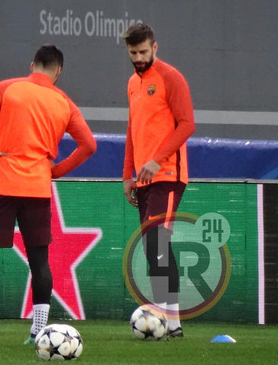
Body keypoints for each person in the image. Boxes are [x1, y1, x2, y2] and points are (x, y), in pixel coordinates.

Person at [0, 45, 96, 345]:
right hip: (37, 187)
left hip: (3, 183)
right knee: (39, 261)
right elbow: (89, 145)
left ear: (32, 65)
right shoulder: (64, 102)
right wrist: (56, 170)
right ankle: (38, 329)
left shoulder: (10, 87)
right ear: (58, 71)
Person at [121, 23, 195, 338]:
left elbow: (187, 124)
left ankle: (161, 318)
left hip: (168, 175)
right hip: (143, 178)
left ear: (155, 47)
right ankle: (172, 325)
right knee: (154, 246)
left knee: (156, 242)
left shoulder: (171, 77)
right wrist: (127, 174)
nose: (138, 58)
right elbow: (132, 129)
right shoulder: (132, 84)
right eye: (133, 53)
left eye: (143, 51)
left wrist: (157, 159)